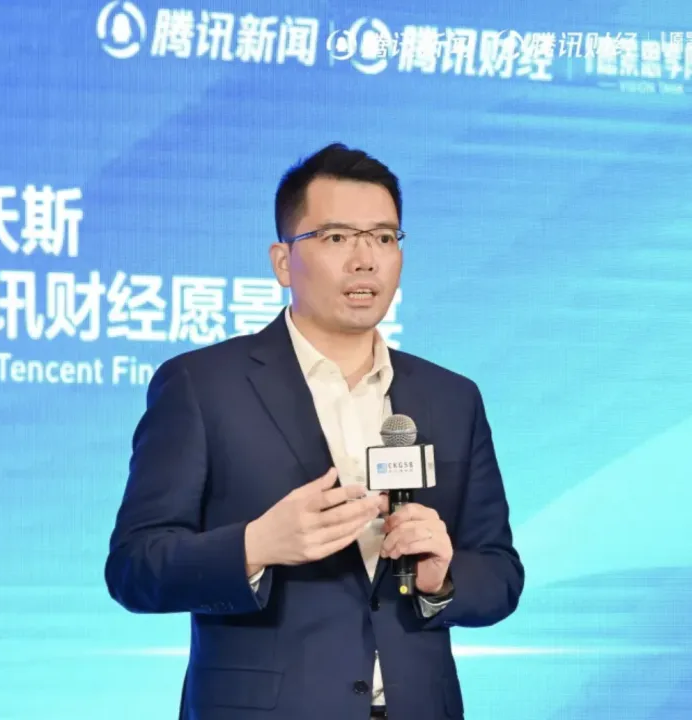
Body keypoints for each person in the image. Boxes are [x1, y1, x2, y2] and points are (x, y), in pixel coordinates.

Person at [104, 143, 524, 720]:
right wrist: (257, 545)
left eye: (383, 237)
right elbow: (134, 568)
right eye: (336, 237)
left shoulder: (451, 398)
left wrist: (441, 578)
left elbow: (500, 574)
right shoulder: (202, 385)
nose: (365, 260)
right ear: (283, 262)